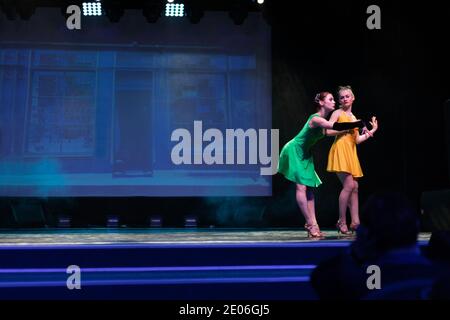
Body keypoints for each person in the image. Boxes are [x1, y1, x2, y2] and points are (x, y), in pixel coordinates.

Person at [277, 92, 364, 238]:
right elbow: (333, 125)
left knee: (310, 189)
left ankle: (313, 224)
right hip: (294, 150)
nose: (334, 102)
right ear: (322, 103)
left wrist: (353, 129)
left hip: (305, 154)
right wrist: (356, 123)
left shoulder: (322, 123)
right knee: (301, 187)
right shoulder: (316, 119)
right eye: (330, 99)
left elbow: (332, 131)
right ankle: (310, 224)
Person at [326, 86, 378, 235]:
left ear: (353, 98)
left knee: (355, 186)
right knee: (349, 185)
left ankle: (355, 222)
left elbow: (357, 140)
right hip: (341, 150)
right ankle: (341, 220)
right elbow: (328, 131)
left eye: (347, 96)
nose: (344, 99)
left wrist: (372, 131)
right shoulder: (337, 113)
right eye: (341, 97)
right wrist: (346, 129)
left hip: (351, 152)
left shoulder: (354, 118)